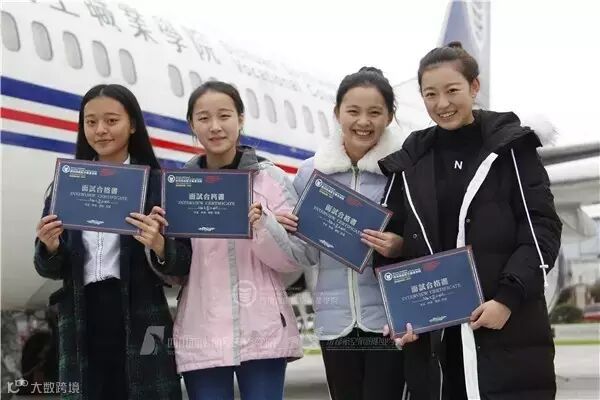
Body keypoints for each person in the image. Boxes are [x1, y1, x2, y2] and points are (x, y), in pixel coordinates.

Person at [376, 42, 562, 400]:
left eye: (452, 90)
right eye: (430, 94)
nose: (441, 103)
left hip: (504, 326)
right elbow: (392, 239)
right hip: (435, 343)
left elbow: (542, 229)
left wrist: (507, 299)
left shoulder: (511, 149)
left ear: (474, 87)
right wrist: (401, 308)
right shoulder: (411, 159)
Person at [147, 81, 311, 400]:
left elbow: (297, 258)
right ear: (192, 125)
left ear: (240, 119)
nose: (215, 126)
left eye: (224, 116)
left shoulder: (270, 179)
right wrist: (158, 247)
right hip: (202, 332)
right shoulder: (180, 187)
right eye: (203, 118)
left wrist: (263, 224)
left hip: (262, 330)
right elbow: (177, 272)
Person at [34, 84, 182, 400]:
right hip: (81, 316)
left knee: (148, 392)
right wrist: (49, 246)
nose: (100, 130)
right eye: (91, 122)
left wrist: (159, 245)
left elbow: (182, 262)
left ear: (133, 125)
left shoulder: (158, 185)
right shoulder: (67, 184)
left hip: (143, 313)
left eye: (111, 121)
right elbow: (49, 268)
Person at [276, 67, 407, 400]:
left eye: (374, 112)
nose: (363, 121)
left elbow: (425, 239)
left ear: (389, 117)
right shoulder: (311, 173)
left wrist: (399, 245)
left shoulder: (403, 171)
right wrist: (279, 228)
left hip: (388, 320)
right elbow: (305, 254)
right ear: (337, 113)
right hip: (335, 322)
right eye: (353, 111)